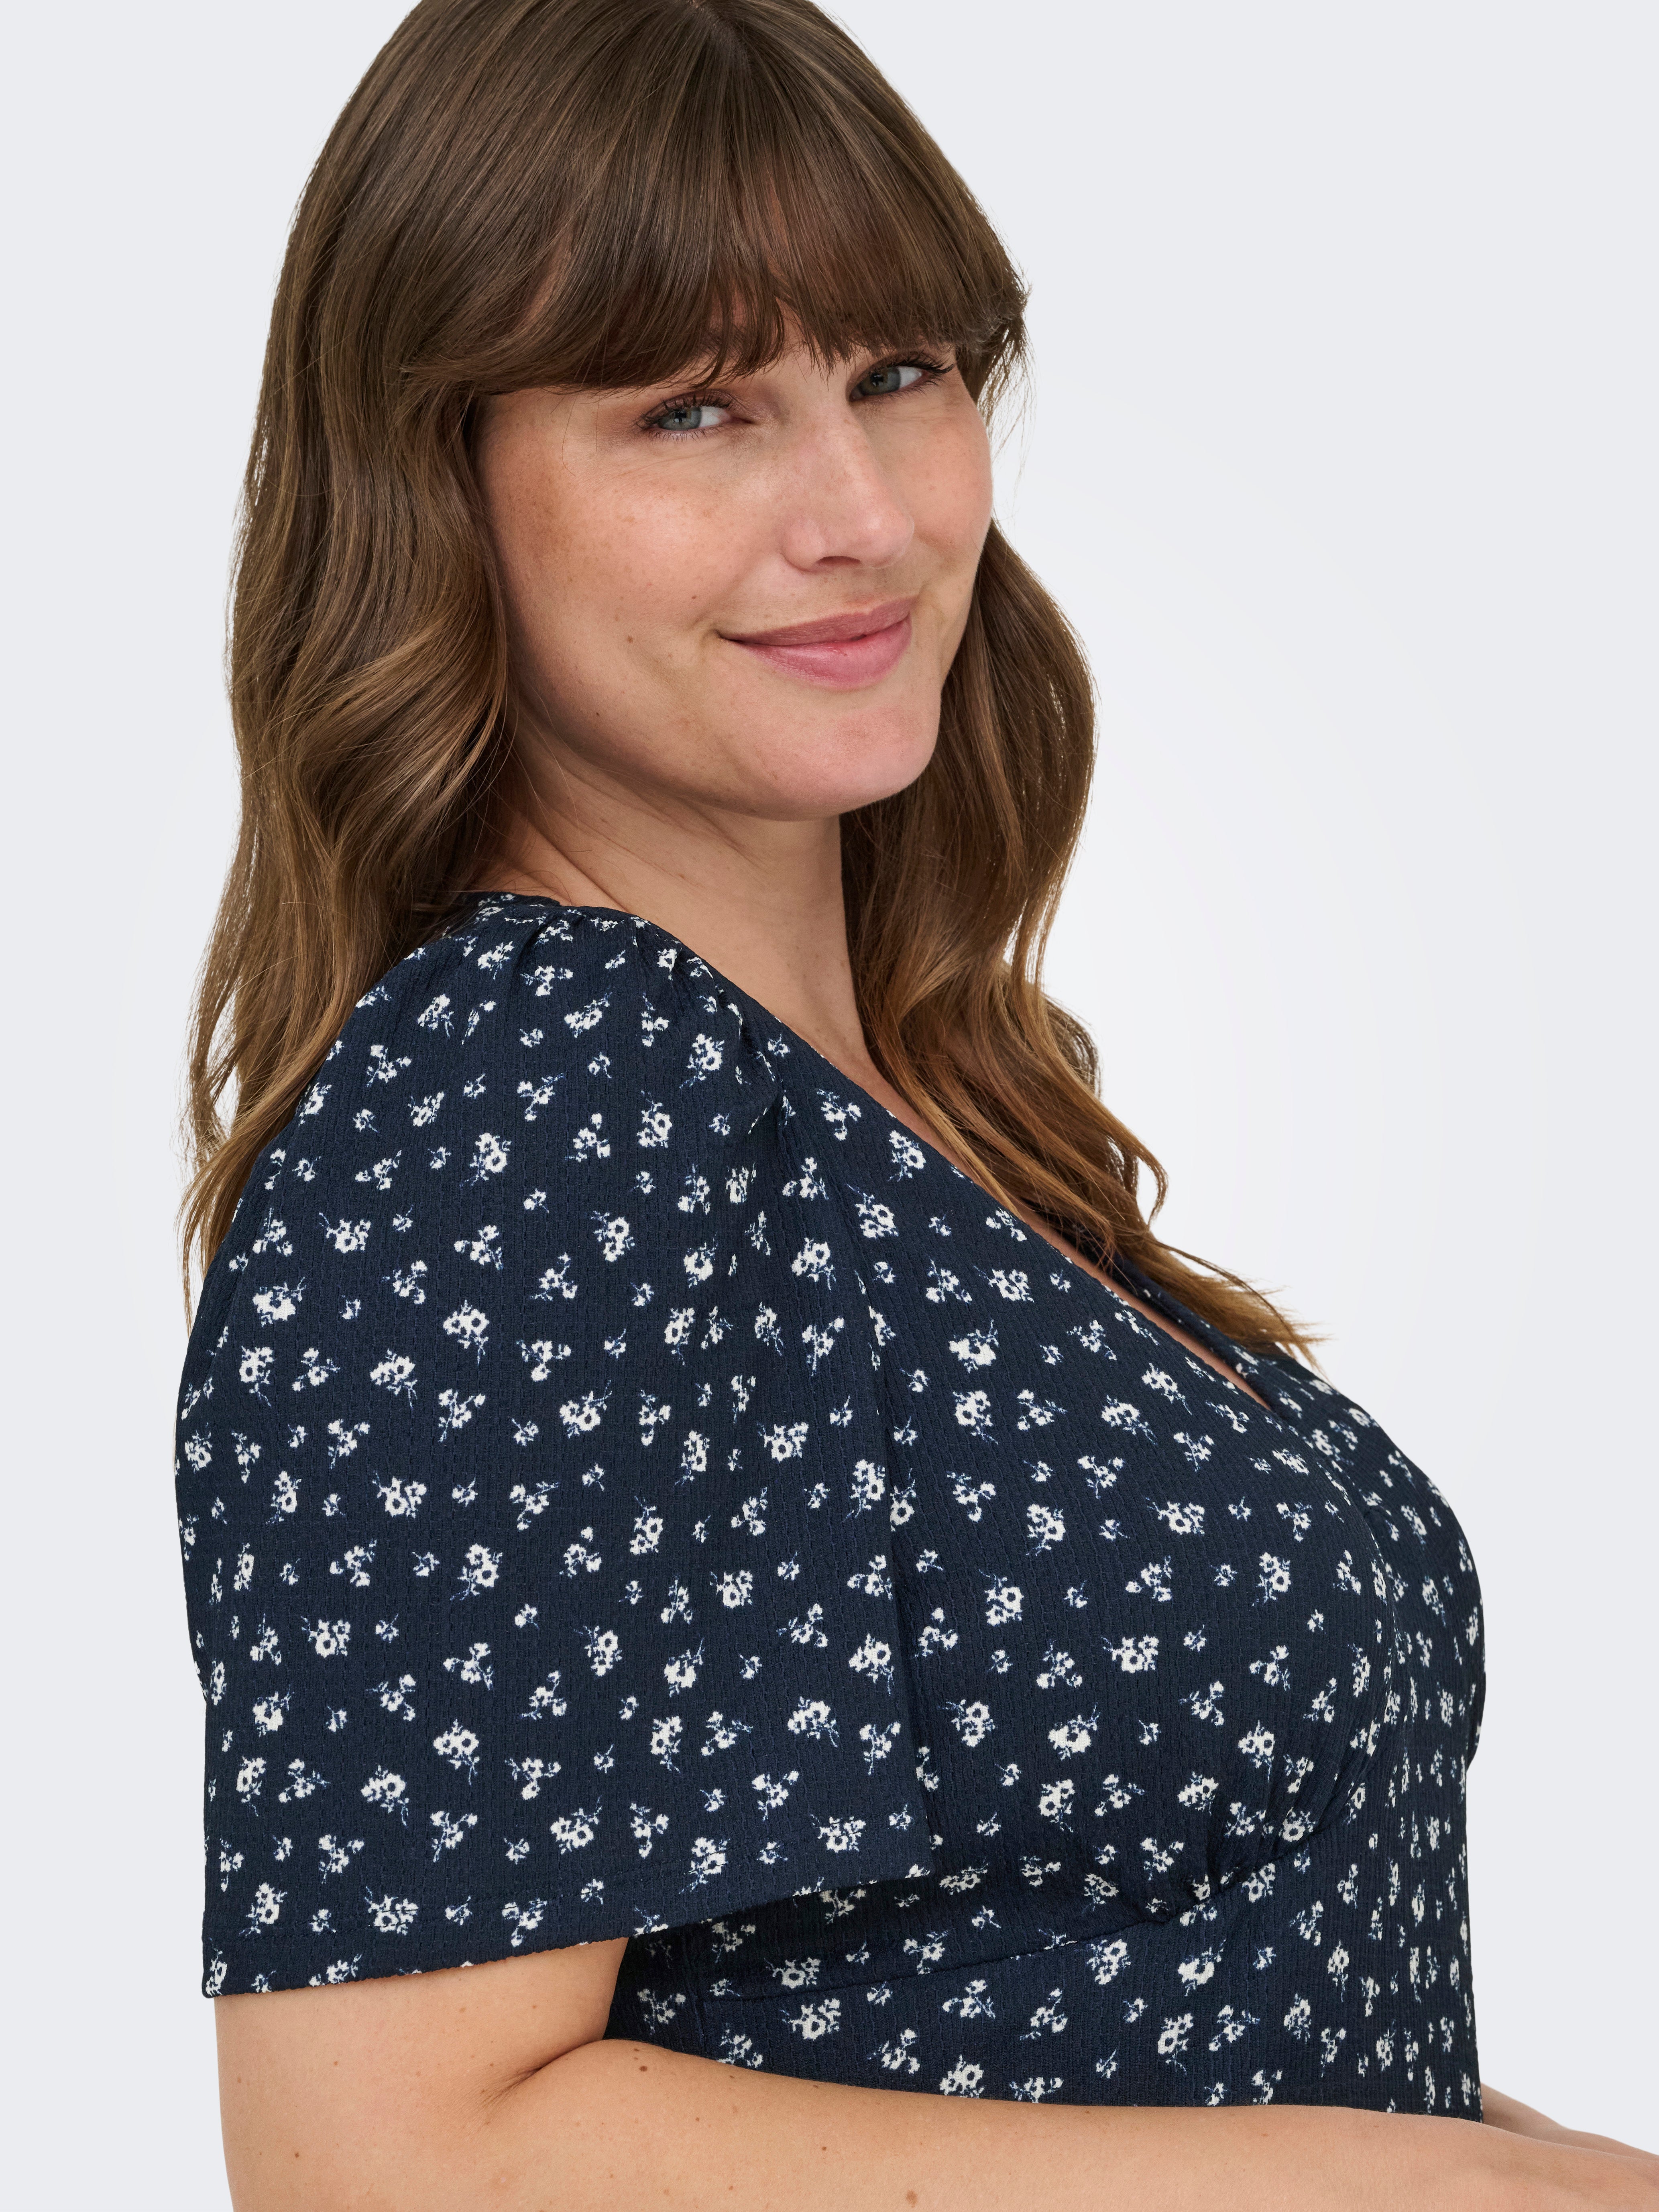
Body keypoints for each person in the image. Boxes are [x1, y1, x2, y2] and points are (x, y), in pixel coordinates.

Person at [173, 2, 1656, 2205]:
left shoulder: (916, 1107)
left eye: (899, 372)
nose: (861, 519)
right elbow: (387, 2161)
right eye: (693, 409)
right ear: (437, 483)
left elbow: (1176, 2022)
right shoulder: (527, 1115)